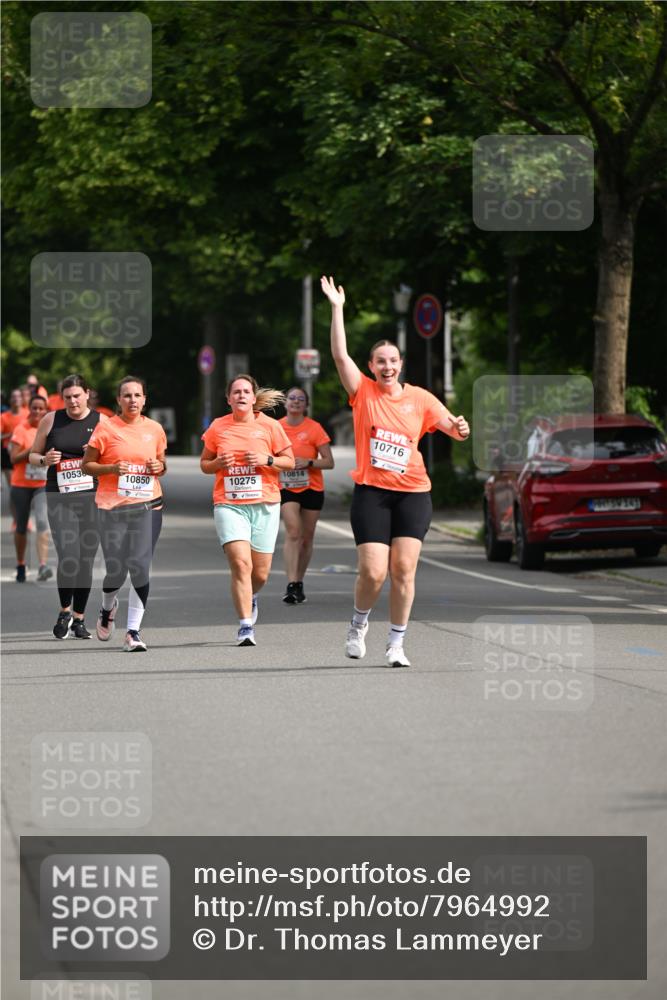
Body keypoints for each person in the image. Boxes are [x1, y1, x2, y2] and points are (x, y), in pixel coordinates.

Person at [321, 275, 470, 667]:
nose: (387, 367)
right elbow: (339, 356)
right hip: (373, 491)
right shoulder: (363, 392)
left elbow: (450, 427)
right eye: (380, 362)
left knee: (403, 570)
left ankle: (396, 644)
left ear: (401, 365)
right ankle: (358, 624)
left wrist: (460, 427)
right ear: (371, 366)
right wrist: (338, 308)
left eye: (393, 361)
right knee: (373, 572)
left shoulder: (419, 398)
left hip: (414, 492)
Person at [200, 375, 294, 646]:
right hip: (229, 504)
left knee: (260, 573)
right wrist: (218, 462)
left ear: (254, 398)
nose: (241, 396)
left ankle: (250, 596)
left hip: (265, 504)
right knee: (241, 564)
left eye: (246, 392)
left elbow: (289, 461)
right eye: (236, 392)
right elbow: (205, 464)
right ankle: (244, 627)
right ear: (228, 399)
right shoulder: (219, 427)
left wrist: (267, 460)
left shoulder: (270, 426)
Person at [82, 376, 167, 652]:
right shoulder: (105, 428)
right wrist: (110, 470)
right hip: (112, 508)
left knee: (140, 566)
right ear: (118, 400)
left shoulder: (155, 429)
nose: (132, 400)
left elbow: (162, 465)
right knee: (116, 571)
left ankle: (133, 631)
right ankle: (108, 608)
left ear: (144, 399)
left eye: (137, 395)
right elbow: (87, 466)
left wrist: (159, 467)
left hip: (148, 505)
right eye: (127, 395)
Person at [30, 374, 105, 639]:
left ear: (87, 394)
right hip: (59, 496)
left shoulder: (101, 421)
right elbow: (32, 454)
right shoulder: (51, 419)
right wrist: (45, 459)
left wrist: (96, 454)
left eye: (77, 396)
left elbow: (115, 456)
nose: (72, 401)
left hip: (92, 496)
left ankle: (79, 619)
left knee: (85, 559)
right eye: (67, 397)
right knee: (69, 555)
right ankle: (64, 610)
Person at [278, 387, 334, 604]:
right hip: (285, 486)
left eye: (301, 399)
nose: (296, 402)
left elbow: (329, 462)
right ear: (285, 403)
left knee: (306, 537)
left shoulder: (314, 428)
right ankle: (291, 584)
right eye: (292, 398)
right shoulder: (276, 428)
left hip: (311, 486)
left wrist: (308, 462)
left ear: (306, 405)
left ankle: (299, 581)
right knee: (293, 531)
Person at [8, 394, 52, 582]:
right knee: (21, 526)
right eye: (34, 408)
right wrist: (33, 450)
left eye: (41, 408)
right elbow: (13, 458)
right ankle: (20, 563)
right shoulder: (21, 429)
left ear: (46, 410)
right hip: (21, 484)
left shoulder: (50, 430)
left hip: (42, 484)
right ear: (30, 409)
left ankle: (42, 565)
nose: (37, 412)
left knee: (42, 522)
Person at [2, 388, 28, 495]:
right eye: (13, 396)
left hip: (24, 452)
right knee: (13, 486)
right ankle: (16, 509)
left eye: (18, 396)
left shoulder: (28, 414)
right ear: (10, 400)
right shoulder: (3, 417)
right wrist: (11, 434)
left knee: (26, 484)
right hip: (7, 453)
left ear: (22, 399)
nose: (16, 399)